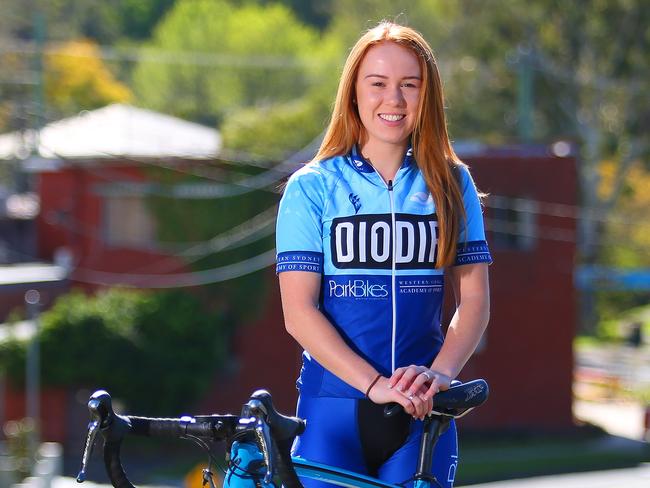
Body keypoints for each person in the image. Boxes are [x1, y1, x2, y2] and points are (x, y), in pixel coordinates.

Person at [275, 21, 491, 488]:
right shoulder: (311, 188)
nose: (393, 99)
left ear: (426, 97)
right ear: (353, 93)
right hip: (333, 412)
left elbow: (473, 299)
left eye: (409, 85)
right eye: (377, 84)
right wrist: (374, 385)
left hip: (424, 412)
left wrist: (441, 373)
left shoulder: (454, 184)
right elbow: (298, 312)